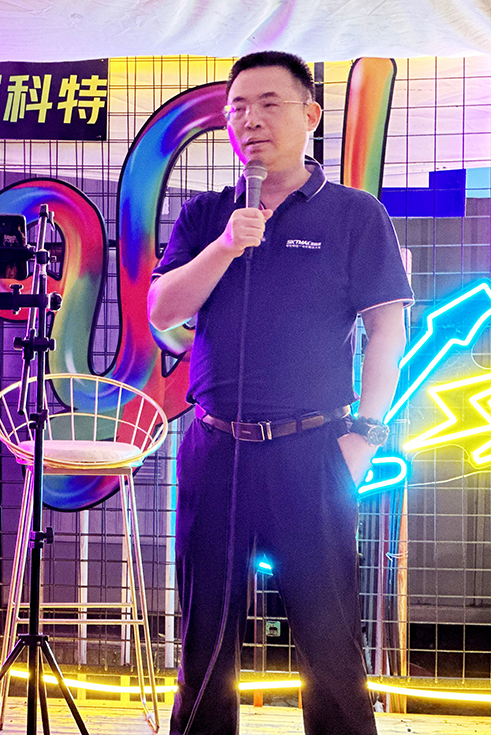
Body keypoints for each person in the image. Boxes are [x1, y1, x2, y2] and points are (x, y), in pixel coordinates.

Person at [147, 51, 413, 735]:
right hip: (214, 446)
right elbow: (162, 309)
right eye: (237, 108)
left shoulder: (355, 215)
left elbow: (387, 327)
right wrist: (225, 247)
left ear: (311, 114)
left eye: (269, 103)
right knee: (205, 636)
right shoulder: (208, 213)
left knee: (330, 638)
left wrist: (367, 433)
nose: (250, 120)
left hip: (314, 448)